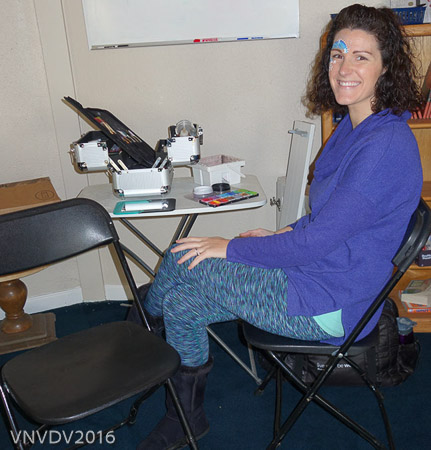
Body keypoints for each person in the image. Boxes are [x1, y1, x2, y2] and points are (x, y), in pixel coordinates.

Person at [137, 4, 424, 449]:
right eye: (337, 54)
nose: (344, 68)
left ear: (386, 66)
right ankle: (186, 417)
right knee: (181, 302)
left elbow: (317, 242)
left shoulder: (382, 147)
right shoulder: (356, 126)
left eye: (361, 57)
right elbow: (330, 220)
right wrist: (282, 234)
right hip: (318, 275)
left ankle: (138, 337)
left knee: (181, 257)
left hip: (329, 303)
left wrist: (229, 247)